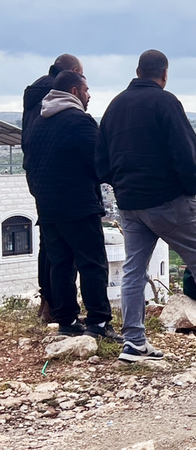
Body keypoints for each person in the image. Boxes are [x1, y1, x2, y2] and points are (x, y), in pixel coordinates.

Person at [96, 49, 196, 362]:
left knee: (134, 270)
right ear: (164, 74)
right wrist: (189, 188)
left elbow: (101, 162)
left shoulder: (115, 105)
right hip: (169, 201)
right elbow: (186, 153)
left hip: (130, 203)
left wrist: (121, 185)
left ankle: (133, 341)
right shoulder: (165, 102)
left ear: (138, 71)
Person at [24, 71, 122, 342]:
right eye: (87, 89)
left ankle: (66, 319)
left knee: (61, 263)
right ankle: (98, 321)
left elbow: (30, 164)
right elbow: (100, 163)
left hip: (48, 206)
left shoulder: (38, 124)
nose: (90, 95)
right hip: (78, 204)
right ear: (75, 91)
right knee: (92, 263)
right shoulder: (80, 121)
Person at [22, 54, 83, 324]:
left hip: (36, 173)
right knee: (62, 247)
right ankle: (60, 306)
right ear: (72, 75)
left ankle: (48, 301)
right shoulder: (54, 95)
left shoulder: (35, 93)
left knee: (50, 240)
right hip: (59, 176)